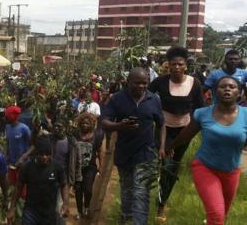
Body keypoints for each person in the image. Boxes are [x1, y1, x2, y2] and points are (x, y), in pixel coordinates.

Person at [167, 76, 247, 225]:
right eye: (223, 87)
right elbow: (186, 134)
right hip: (205, 168)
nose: (227, 89)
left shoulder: (245, 115)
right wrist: (169, 147)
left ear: (239, 93)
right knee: (217, 215)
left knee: (222, 215)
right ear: (215, 92)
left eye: (232, 87)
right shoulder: (203, 113)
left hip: (231, 171)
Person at [102, 67, 166, 225]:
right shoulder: (116, 99)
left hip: (146, 154)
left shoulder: (154, 100)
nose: (142, 86)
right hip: (125, 153)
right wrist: (119, 126)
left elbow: (161, 124)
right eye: (137, 83)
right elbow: (104, 122)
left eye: (145, 83)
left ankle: (139, 222)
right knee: (127, 189)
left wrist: (162, 146)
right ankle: (126, 217)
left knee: (141, 192)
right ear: (128, 82)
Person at [148, 46, 205, 221]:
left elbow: (200, 107)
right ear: (168, 65)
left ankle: (162, 203)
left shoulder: (194, 83)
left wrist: (195, 127)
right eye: (173, 64)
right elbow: (147, 97)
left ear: (186, 66)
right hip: (164, 129)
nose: (177, 67)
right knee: (165, 163)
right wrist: (154, 115)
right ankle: (159, 200)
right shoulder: (160, 82)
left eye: (180, 64)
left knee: (173, 167)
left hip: (185, 131)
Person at [7, 137, 69, 225]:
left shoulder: (57, 167)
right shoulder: (27, 167)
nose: (44, 157)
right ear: (36, 153)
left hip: (49, 213)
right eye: (42, 154)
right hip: (30, 212)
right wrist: (12, 208)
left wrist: (65, 204)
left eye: (47, 154)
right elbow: (18, 187)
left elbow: (64, 185)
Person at [74, 113, 103, 219]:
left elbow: (100, 151)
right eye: (83, 123)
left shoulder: (96, 136)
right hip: (77, 167)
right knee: (78, 190)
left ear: (91, 124)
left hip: (90, 167)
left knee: (88, 189)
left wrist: (101, 165)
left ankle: (86, 206)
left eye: (87, 123)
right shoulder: (75, 134)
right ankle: (79, 211)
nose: (85, 125)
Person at [5, 106, 31, 186]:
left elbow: (32, 145)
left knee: (22, 186)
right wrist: (7, 156)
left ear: (12, 117)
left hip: (23, 163)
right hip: (12, 163)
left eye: (7, 116)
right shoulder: (7, 127)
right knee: (12, 184)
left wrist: (24, 157)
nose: (5, 118)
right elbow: (8, 143)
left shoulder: (24, 128)